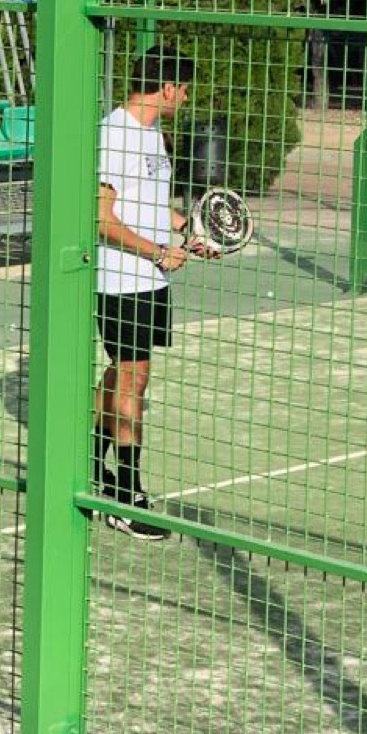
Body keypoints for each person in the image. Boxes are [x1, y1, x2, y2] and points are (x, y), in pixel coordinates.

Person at [95, 44, 213, 538]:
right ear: (166, 88)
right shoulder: (114, 135)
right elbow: (100, 218)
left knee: (124, 375)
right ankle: (126, 498)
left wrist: (188, 229)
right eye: (183, 90)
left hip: (149, 277)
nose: (184, 98)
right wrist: (158, 252)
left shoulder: (153, 134)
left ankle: (88, 466)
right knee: (133, 379)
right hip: (120, 279)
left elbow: (147, 203)